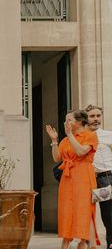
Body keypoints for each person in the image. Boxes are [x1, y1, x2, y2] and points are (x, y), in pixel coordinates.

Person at [46, 110, 99, 249]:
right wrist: (54, 141)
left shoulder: (90, 135)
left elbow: (81, 152)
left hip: (83, 177)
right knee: (67, 210)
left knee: (83, 209)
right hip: (68, 179)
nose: (65, 123)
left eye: (69, 120)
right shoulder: (66, 140)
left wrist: (69, 135)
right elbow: (57, 158)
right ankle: (67, 240)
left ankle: (85, 242)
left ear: (79, 122)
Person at [86, 104, 112, 249]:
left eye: (98, 116)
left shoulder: (108, 135)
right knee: (85, 212)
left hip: (105, 178)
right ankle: (89, 243)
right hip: (86, 178)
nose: (96, 119)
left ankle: (110, 243)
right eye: (92, 116)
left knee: (108, 214)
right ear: (86, 118)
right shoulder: (82, 136)